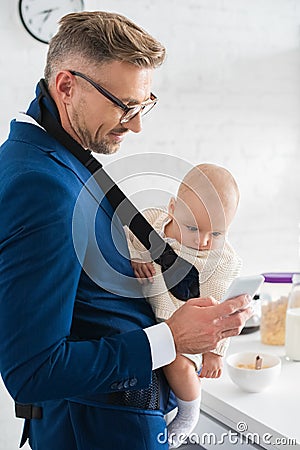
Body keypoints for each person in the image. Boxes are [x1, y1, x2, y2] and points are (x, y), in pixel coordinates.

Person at [0, 11, 252, 450]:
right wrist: (171, 338)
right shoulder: (42, 186)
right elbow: (33, 370)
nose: (136, 124)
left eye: (144, 104)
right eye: (124, 105)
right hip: (98, 431)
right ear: (66, 86)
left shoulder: (56, 156)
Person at [127, 163, 242, 447]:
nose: (203, 241)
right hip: (144, 317)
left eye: (216, 234)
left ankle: (189, 413)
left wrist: (214, 353)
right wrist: (136, 256)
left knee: (177, 364)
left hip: (184, 331)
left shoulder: (220, 261)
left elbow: (220, 308)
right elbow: (125, 236)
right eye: (192, 227)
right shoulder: (152, 222)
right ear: (172, 207)